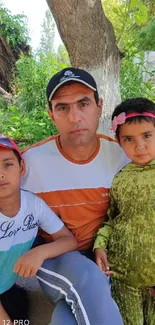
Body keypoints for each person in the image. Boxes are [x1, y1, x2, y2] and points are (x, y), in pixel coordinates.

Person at [21, 67, 129, 325]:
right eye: (63, 108)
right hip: (52, 255)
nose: (75, 117)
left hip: (102, 253)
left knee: (67, 316)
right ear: (51, 115)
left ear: (99, 106)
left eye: (83, 104)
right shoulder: (30, 163)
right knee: (88, 277)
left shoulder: (121, 156)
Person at [0, 135, 77, 325]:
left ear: (22, 168)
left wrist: (39, 253)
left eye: (7, 164)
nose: (0, 174)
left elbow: (68, 240)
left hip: (7, 290)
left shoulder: (34, 205)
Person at [94, 97, 155, 325]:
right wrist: (100, 244)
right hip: (123, 277)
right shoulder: (120, 178)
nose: (139, 146)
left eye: (147, 135)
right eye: (129, 139)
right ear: (119, 142)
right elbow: (113, 219)